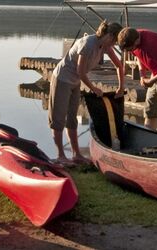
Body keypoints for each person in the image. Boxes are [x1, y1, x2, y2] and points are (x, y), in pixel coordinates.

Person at [49, 21, 124, 166]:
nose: (114, 45)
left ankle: (76, 154)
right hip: (62, 79)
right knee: (58, 119)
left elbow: (119, 66)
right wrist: (94, 88)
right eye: (114, 41)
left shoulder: (106, 46)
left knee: (72, 118)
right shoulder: (88, 44)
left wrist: (121, 87)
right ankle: (60, 155)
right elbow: (80, 71)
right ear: (109, 35)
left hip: (76, 82)